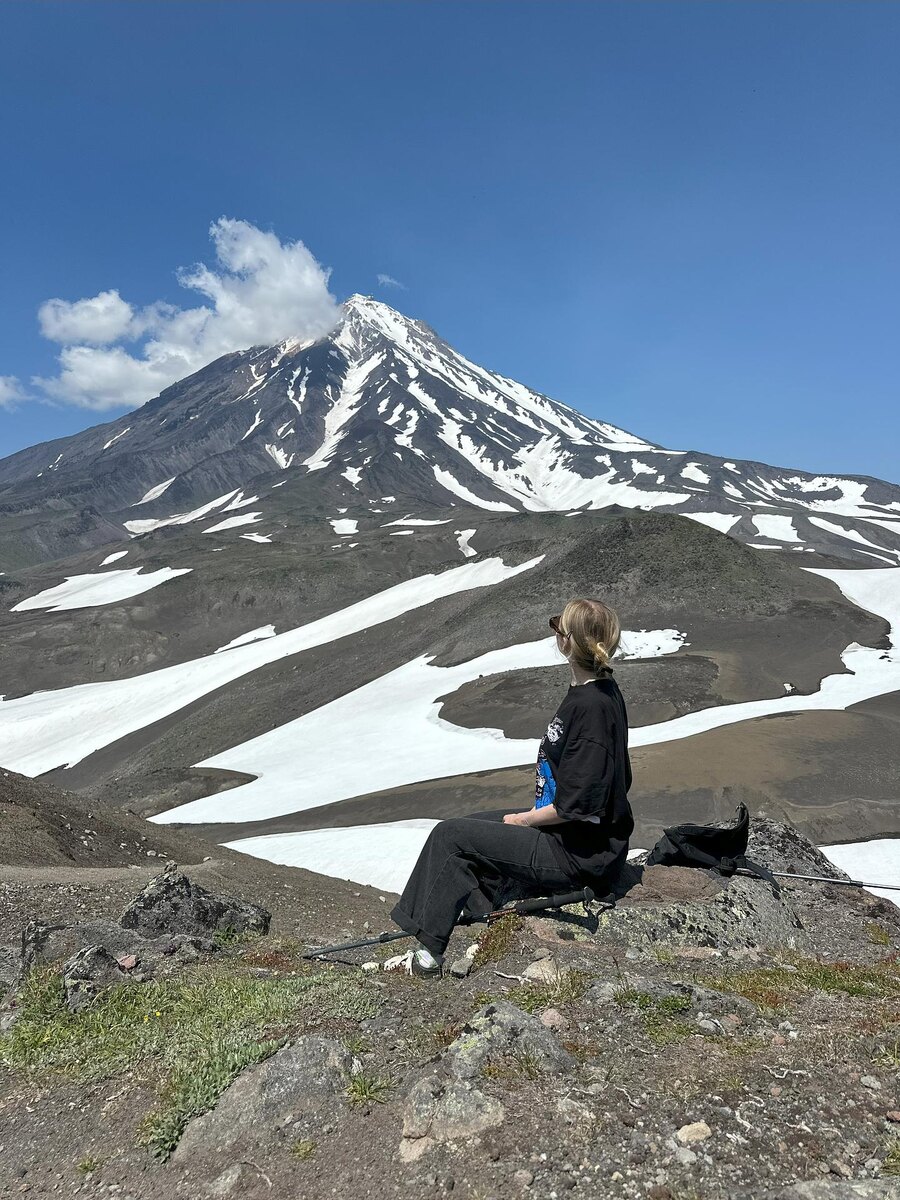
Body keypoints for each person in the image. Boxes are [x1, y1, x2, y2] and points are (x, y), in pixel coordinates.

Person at [388, 597, 634, 978]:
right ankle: (483, 917)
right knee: (467, 826)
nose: (554, 632)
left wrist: (526, 820)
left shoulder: (591, 708)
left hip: (576, 854)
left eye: (558, 626)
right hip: (572, 838)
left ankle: (427, 955)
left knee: (451, 837)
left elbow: (582, 802)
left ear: (568, 643)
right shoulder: (598, 691)